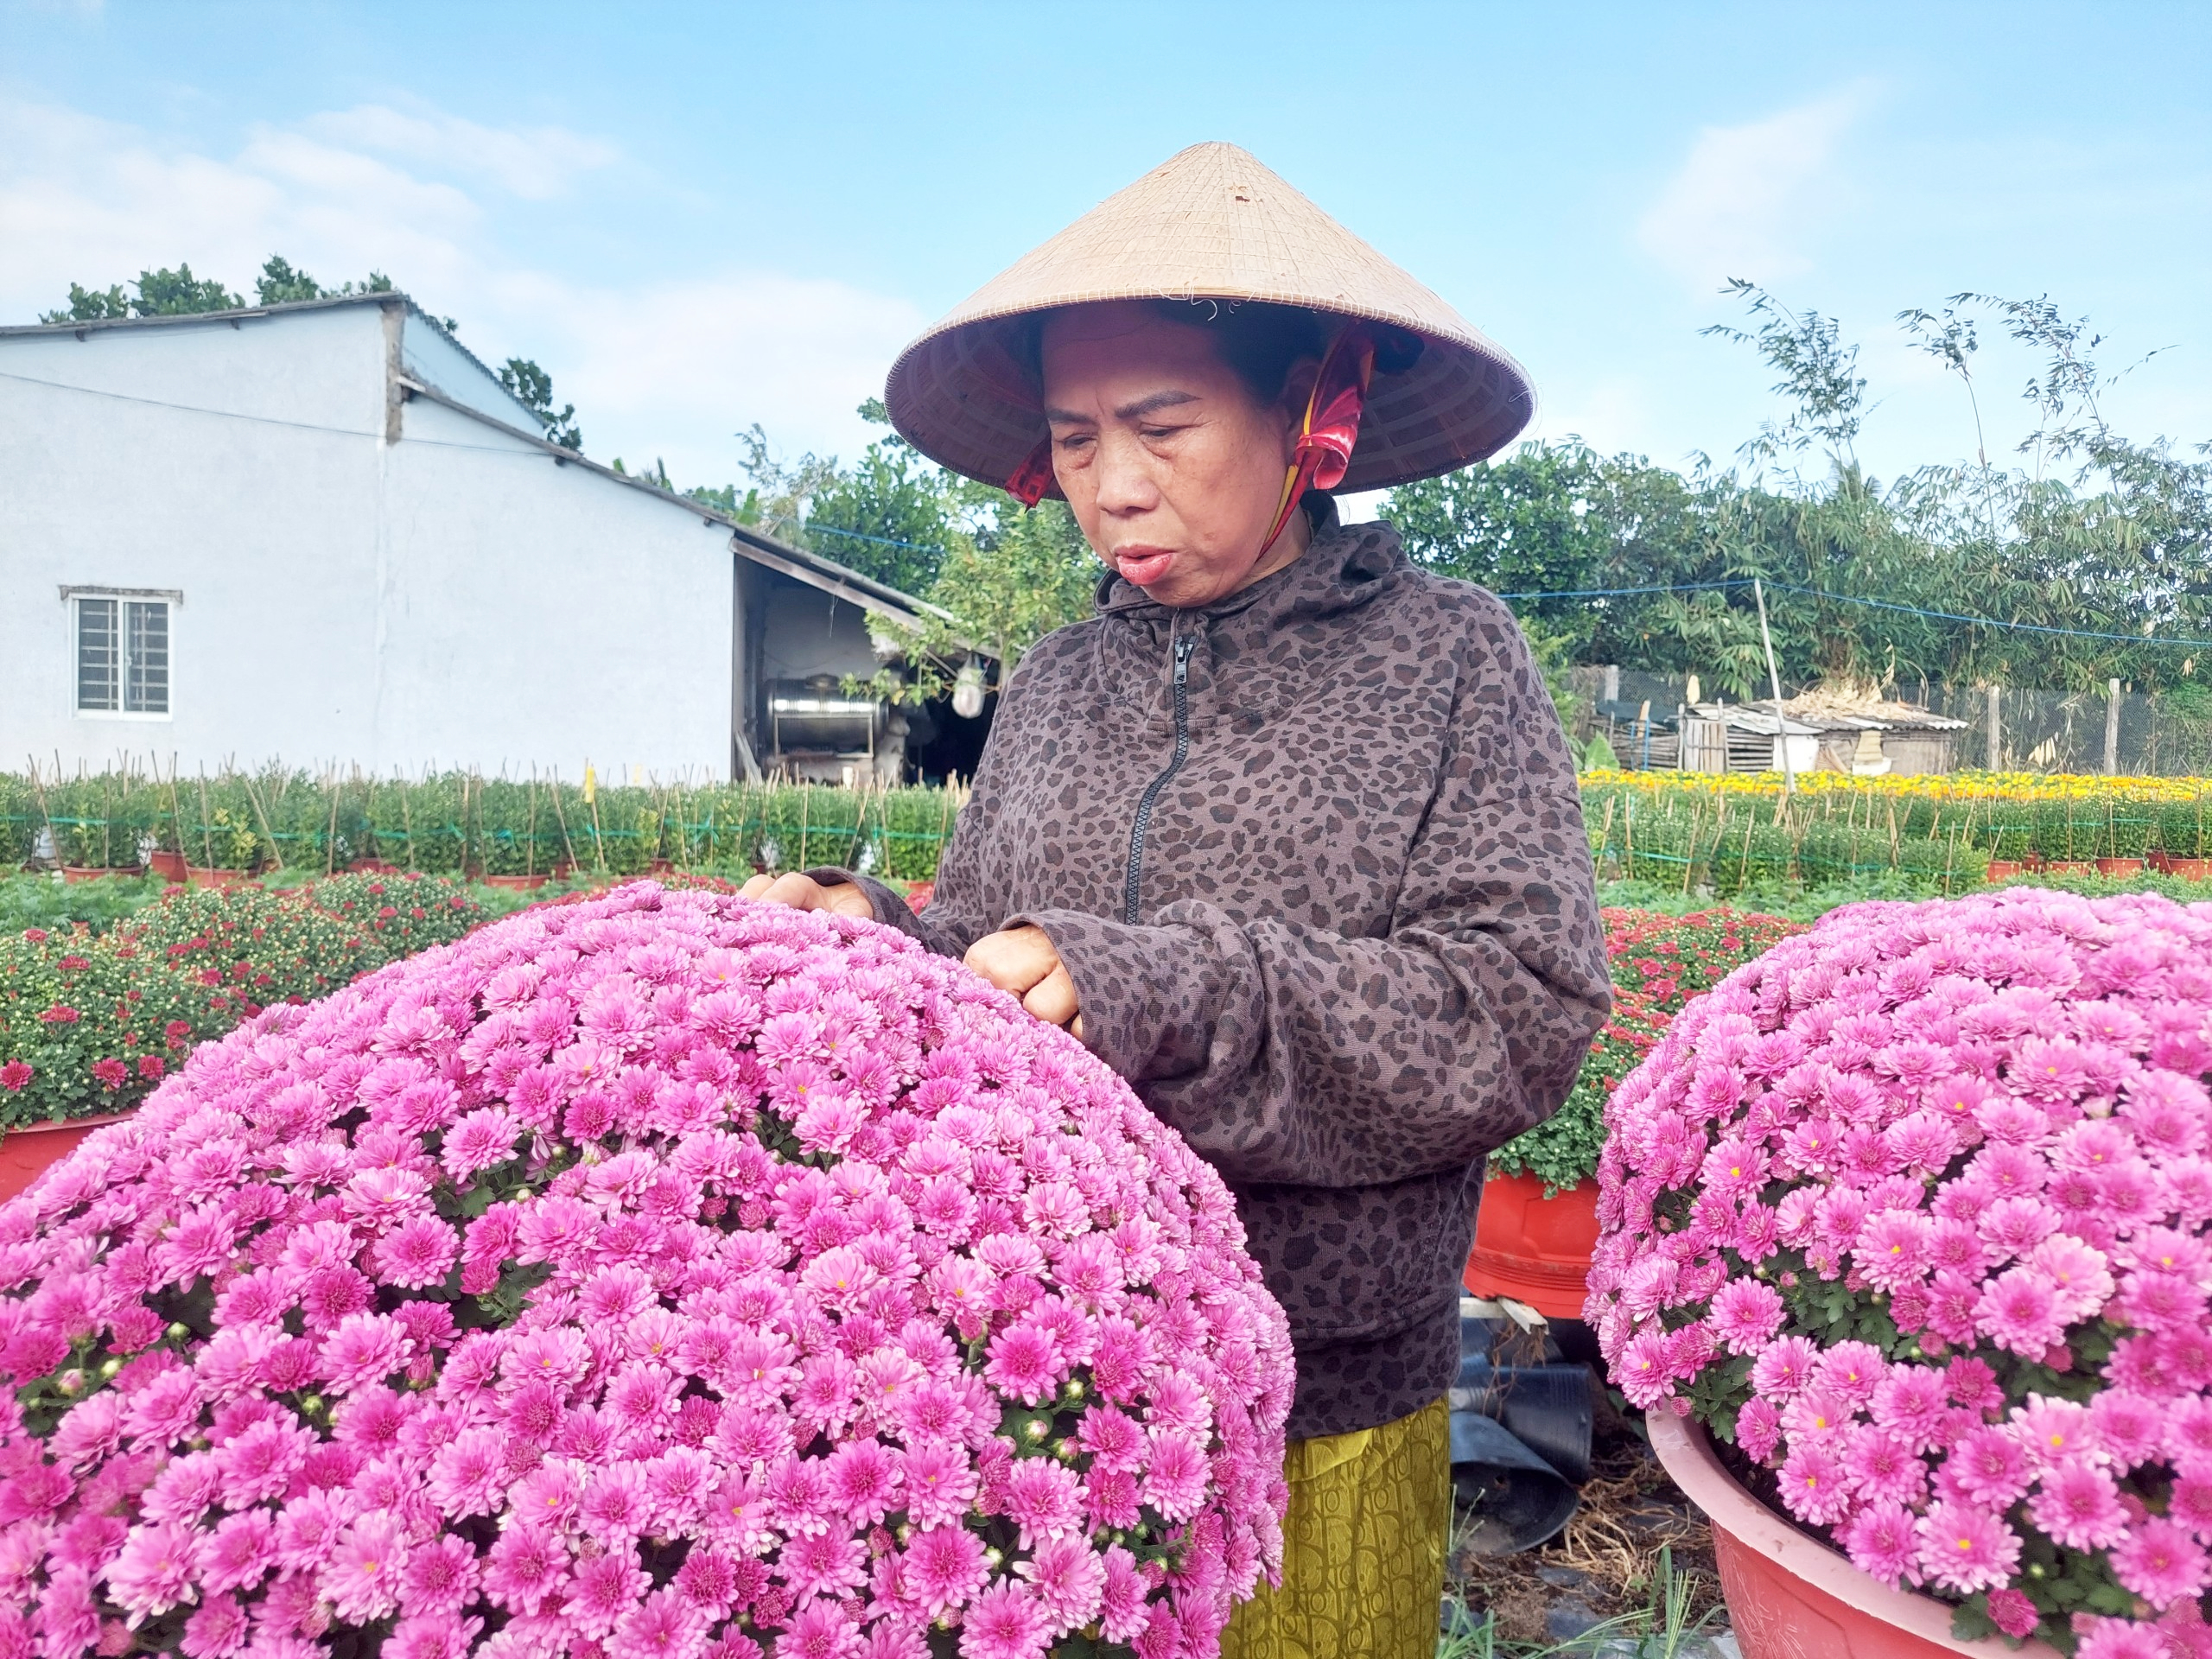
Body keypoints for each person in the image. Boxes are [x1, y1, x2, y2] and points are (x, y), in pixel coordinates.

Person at [743, 142, 1610, 1657]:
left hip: (1320, 1380)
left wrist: (1156, 983)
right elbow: (993, 943)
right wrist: (878, 931)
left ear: (1308, 417)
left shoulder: (1447, 656)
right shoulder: (1068, 676)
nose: (1113, 485)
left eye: (1162, 424)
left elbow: (1514, 1008)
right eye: (1075, 439)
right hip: (1028, 1367)